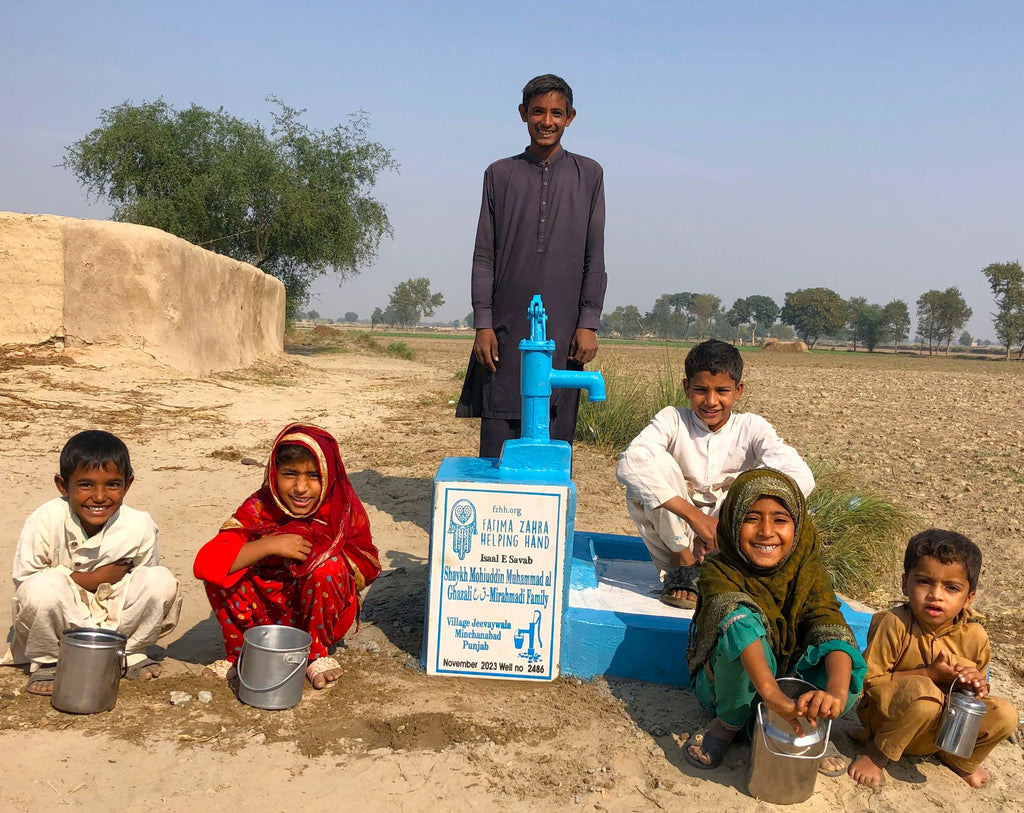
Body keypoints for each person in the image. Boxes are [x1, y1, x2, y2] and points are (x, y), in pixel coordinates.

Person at [456, 73, 607, 458]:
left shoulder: (589, 174)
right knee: (501, 423)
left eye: (557, 113)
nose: (547, 121)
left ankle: (546, 515)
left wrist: (588, 322)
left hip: (564, 326)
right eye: (538, 111)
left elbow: (595, 255)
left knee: (556, 425)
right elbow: (484, 255)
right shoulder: (499, 174)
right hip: (506, 325)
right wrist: (483, 323)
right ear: (523, 114)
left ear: (570, 117)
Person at [684, 468, 866, 773]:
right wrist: (771, 695)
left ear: (798, 526)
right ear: (731, 523)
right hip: (729, 688)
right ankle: (728, 724)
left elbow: (828, 624)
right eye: (751, 518)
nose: (766, 531)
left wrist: (833, 693)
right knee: (740, 626)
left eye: (780, 520)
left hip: (790, 684)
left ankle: (810, 724)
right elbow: (738, 626)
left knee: (843, 653)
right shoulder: (720, 570)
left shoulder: (808, 571)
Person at [616, 339, 814, 608]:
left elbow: (801, 477)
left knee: (763, 481)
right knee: (655, 465)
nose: (711, 401)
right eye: (700, 390)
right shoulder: (672, 419)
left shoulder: (751, 427)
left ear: (738, 390)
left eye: (722, 391)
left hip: (727, 541)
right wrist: (695, 518)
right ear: (686, 388)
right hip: (674, 539)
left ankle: (721, 569)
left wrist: (723, 522)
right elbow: (630, 463)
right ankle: (682, 567)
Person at [194, 423, 380, 689]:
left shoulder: (341, 512)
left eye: (313, 476)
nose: (301, 488)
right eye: (290, 474)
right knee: (221, 568)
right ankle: (241, 654)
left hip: (317, 612)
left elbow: (366, 566)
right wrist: (271, 545)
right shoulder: (260, 508)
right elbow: (205, 564)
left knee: (326, 567)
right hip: (262, 614)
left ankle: (316, 653)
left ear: (329, 476)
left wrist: (316, 557)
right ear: (274, 474)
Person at [5, 430, 181, 695]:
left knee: (160, 580)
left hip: (115, 615)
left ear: (128, 484)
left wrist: (112, 583)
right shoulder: (46, 518)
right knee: (41, 588)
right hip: (60, 618)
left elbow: (143, 580)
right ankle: (49, 661)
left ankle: (129, 652)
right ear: (63, 486)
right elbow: (26, 581)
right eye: (86, 485)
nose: (99, 497)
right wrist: (94, 580)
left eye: (112, 484)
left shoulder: (138, 524)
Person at [848, 530, 1017, 789]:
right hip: (887, 722)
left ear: (968, 597)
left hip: (941, 731)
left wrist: (974, 686)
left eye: (951, 588)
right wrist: (929, 674)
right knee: (926, 695)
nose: (936, 595)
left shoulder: (975, 636)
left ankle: (959, 758)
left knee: (1005, 714)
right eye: (924, 582)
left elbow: (980, 690)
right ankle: (876, 754)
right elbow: (869, 682)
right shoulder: (894, 623)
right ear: (905, 584)